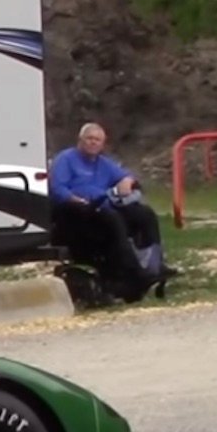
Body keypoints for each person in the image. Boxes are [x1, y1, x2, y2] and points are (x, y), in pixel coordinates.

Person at [48, 122, 170, 299]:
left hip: (101, 207)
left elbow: (125, 176)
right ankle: (131, 274)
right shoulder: (66, 159)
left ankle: (154, 265)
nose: (93, 143)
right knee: (112, 219)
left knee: (144, 214)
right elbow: (58, 189)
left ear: (102, 144)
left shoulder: (103, 164)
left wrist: (127, 181)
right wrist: (77, 201)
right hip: (73, 211)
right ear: (80, 140)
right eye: (89, 138)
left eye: (97, 140)